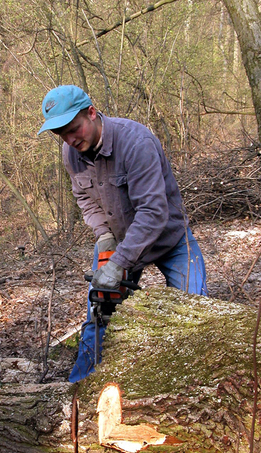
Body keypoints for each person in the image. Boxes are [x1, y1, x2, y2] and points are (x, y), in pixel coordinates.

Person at [38, 85, 208, 382]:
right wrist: (104, 236)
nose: (69, 139)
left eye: (74, 129)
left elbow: (154, 213)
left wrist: (119, 262)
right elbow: (85, 199)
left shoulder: (135, 142)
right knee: (99, 314)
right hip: (118, 241)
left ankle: (194, 386)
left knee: (197, 313)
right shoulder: (71, 153)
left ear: (91, 113)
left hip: (169, 240)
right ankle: (79, 389)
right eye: (61, 134)